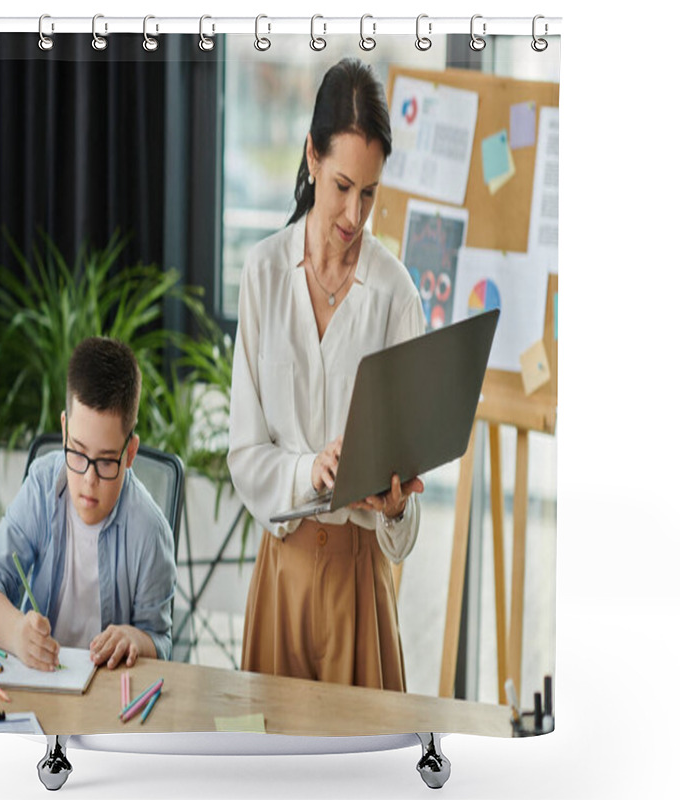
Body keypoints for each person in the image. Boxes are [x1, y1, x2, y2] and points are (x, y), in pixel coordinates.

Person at [228, 58, 426, 692]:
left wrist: (394, 509)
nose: (354, 213)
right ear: (311, 157)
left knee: (362, 776)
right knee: (268, 775)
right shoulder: (262, 275)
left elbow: (405, 527)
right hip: (279, 577)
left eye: (369, 193)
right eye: (342, 185)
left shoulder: (395, 295)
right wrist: (308, 469)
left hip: (359, 582)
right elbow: (244, 454)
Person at [0, 337, 176, 671]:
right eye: (77, 453)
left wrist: (135, 638)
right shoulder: (42, 485)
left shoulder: (150, 531)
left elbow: (161, 643)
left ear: (130, 453)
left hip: (108, 701)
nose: (89, 481)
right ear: (64, 432)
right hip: (40, 684)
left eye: (106, 462)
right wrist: (17, 633)